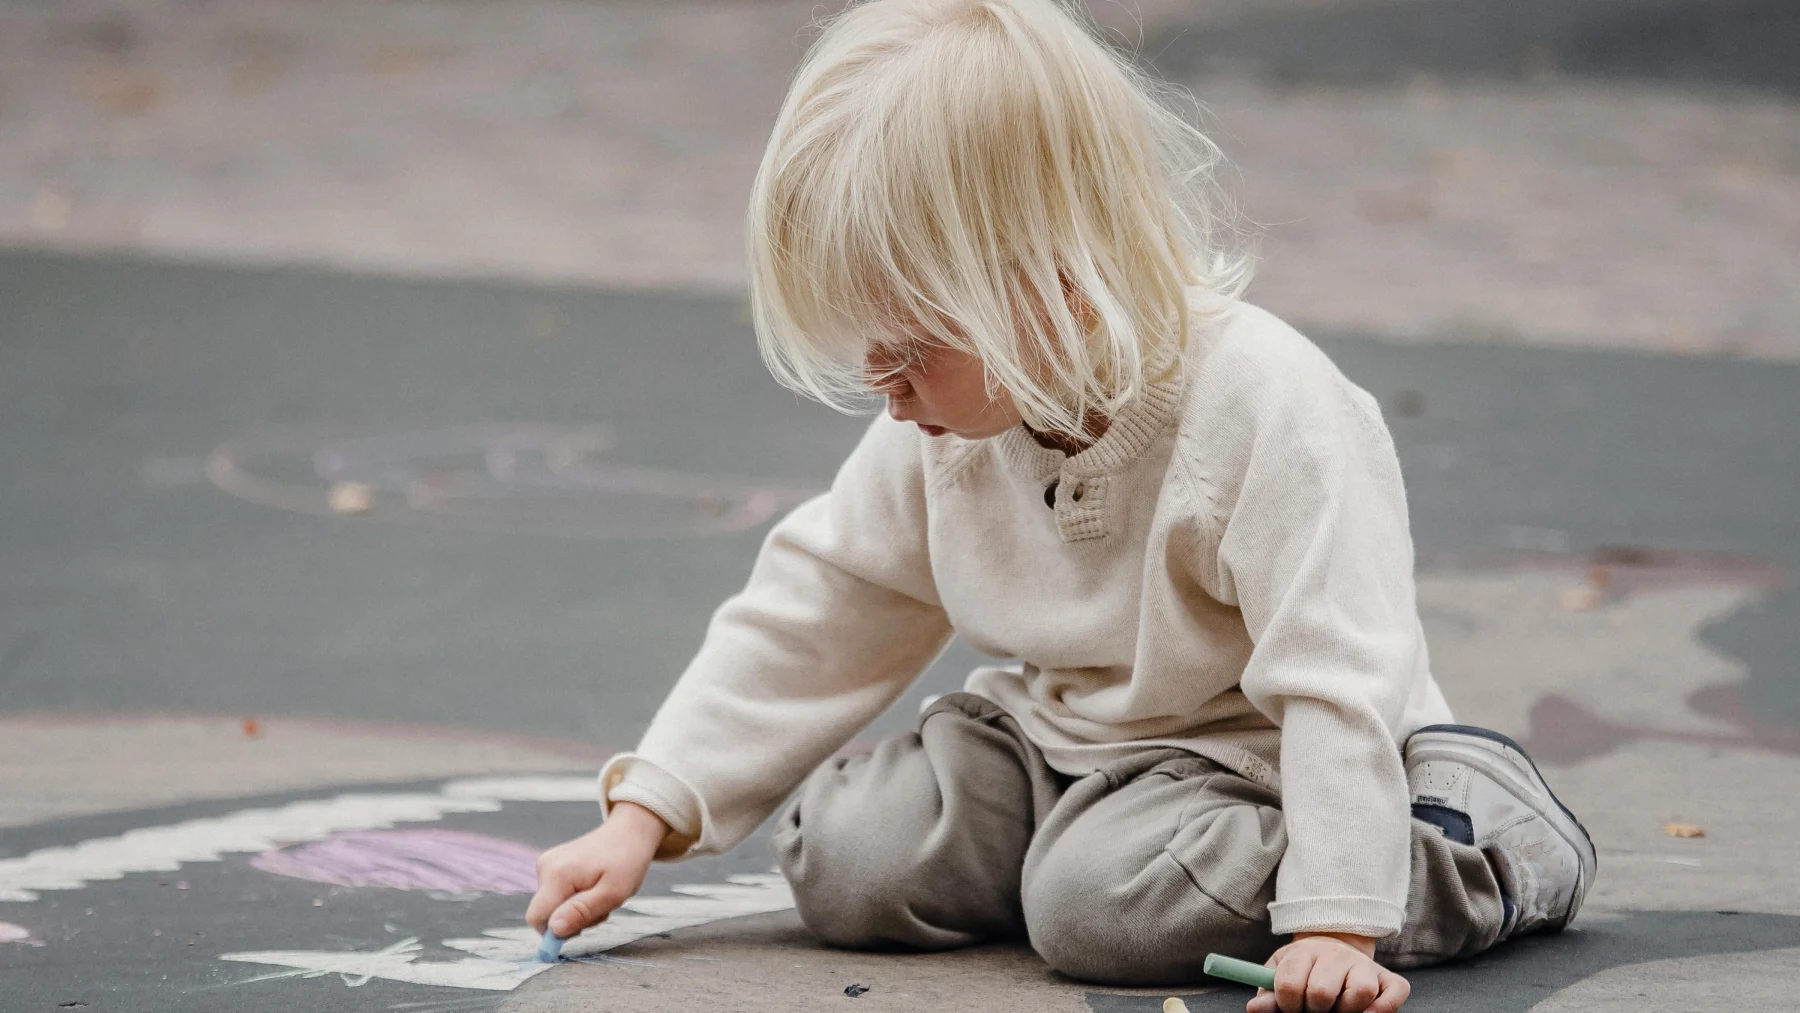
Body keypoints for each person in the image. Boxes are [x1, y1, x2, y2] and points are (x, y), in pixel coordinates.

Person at [527, 1, 1595, 1010]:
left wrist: (1337, 922)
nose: (879, 386)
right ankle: (1073, 866)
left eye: (907, 349)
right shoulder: (948, 423)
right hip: (1062, 747)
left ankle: (1466, 847)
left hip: (1255, 759)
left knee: (1104, 908)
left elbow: (1335, 677)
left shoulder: (1266, 407)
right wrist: (646, 812)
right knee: (845, 854)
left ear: (1058, 281)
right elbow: (828, 598)